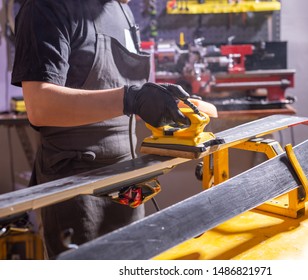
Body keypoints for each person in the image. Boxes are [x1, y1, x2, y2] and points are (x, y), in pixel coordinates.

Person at [11, 0, 190, 259]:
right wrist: (131, 99)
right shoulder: (46, 6)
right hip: (77, 186)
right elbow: (40, 106)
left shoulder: (121, 9)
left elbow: (119, 93)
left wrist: (160, 102)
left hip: (127, 179)